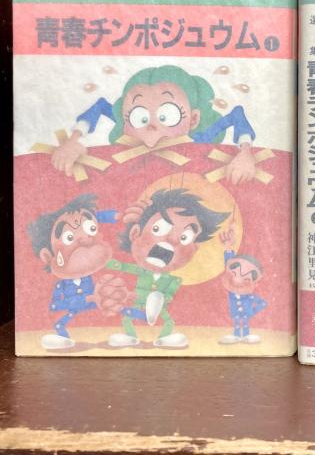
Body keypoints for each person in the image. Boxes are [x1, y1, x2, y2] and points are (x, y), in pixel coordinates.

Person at [51, 65, 257, 183]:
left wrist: (245, 153)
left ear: (193, 119)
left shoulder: (199, 139)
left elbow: (235, 115)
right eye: (139, 117)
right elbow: (101, 106)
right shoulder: (126, 132)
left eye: (167, 115)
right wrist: (73, 140)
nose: (151, 126)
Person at [104, 188, 229, 348]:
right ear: (135, 232)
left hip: (158, 306)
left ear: (193, 251)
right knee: (127, 316)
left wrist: (162, 299)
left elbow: (169, 294)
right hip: (138, 302)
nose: (171, 240)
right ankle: (130, 336)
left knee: (168, 321)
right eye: (158, 229)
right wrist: (103, 260)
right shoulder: (142, 271)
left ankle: (164, 337)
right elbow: (122, 266)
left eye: (184, 237)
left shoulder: (173, 280)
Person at [28, 194, 124, 350]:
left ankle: (127, 333)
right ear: (48, 256)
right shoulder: (61, 285)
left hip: (96, 308)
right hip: (74, 311)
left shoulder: (92, 276)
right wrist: (85, 299)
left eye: (91, 230)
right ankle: (64, 339)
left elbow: (93, 217)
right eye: (69, 238)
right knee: (59, 324)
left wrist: (115, 216)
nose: (84, 240)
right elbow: (55, 305)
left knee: (120, 312)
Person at [218, 226, 267, 344]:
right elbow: (229, 264)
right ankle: (236, 335)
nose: (238, 279)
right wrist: (228, 247)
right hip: (234, 314)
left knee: (244, 324)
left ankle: (245, 335)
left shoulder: (249, 296)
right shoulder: (231, 289)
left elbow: (263, 303)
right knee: (236, 323)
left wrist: (252, 312)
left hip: (245, 315)